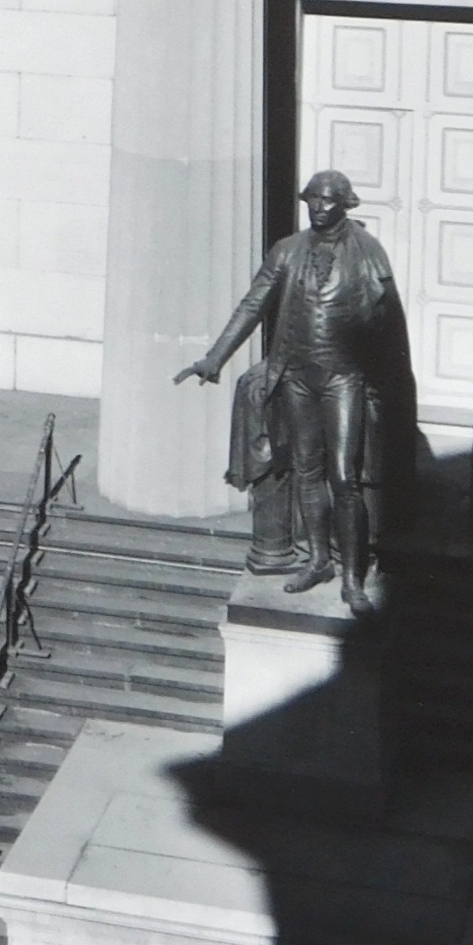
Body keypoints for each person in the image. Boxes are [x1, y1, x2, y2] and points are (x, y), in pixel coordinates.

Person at [175, 168, 415, 612]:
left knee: (344, 477)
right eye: (313, 201)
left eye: (327, 201)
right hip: (298, 377)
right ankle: (319, 560)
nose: (319, 208)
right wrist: (215, 358)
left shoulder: (368, 253)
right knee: (307, 471)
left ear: (345, 203)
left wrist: (395, 385)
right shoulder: (287, 251)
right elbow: (253, 304)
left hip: (343, 378)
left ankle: (352, 577)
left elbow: (390, 324)